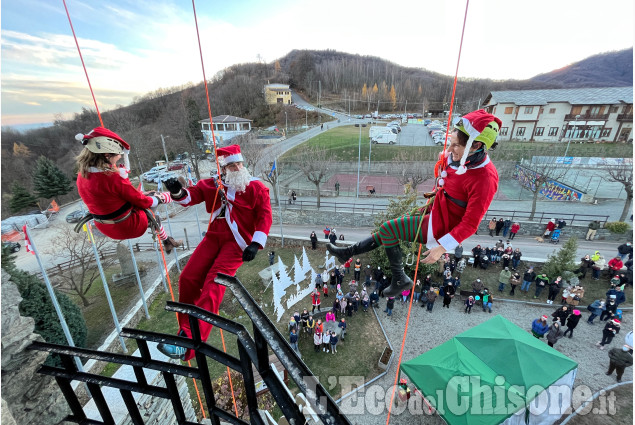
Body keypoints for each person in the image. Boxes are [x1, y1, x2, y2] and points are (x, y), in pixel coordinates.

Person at [327, 110, 502, 297]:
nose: (450, 150)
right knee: (386, 233)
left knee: (388, 229)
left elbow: (471, 223)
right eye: (450, 143)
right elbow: (449, 176)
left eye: (456, 145)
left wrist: (442, 248)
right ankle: (348, 253)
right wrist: (446, 161)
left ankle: (400, 278)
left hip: (444, 224)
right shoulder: (463, 159)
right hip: (437, 209)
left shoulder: (485, 178)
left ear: (476, 145)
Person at [157, 145, 272, 360]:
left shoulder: (256, 187)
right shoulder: (215, 185)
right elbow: (191, 196)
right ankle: (184, 329)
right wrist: (177, 192)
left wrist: (256, 243)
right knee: (187, 277)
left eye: (239, 164)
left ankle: (189, 342)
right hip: (214, 236)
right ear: (224, 168)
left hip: (238, 243)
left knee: (214, 283)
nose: (237, 168)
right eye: (231, 165)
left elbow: (265, 216)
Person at [75, 127, 183, 252]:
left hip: (104, 226)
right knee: (155, 197)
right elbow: (141, 201)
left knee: (151, 207)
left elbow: (112, 197)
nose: (120, 157)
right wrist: (154, 198)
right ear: (106, 155)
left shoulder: (82, 175)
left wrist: (141, 195)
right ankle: (178, 194)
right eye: (118, 154)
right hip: (127, 226)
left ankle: (167, 241)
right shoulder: (112, 177)